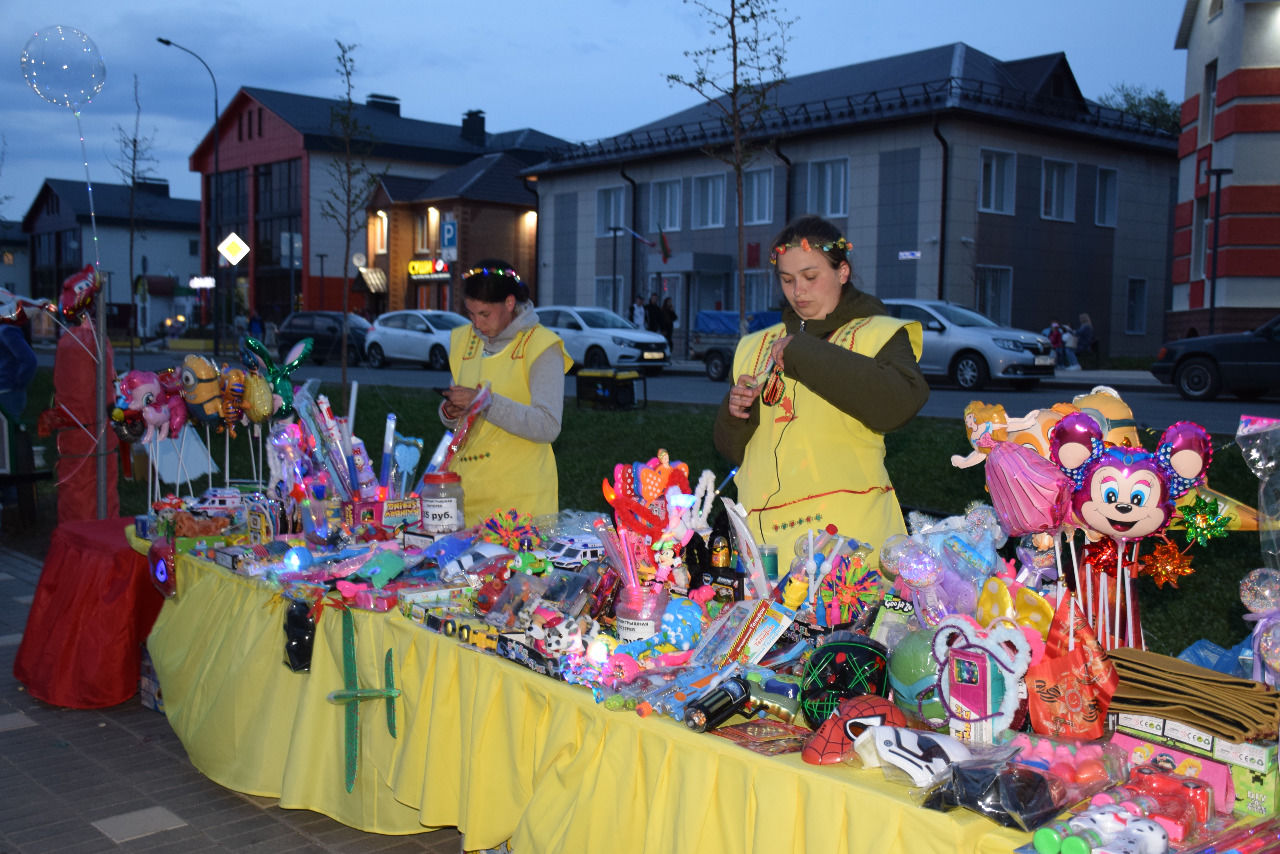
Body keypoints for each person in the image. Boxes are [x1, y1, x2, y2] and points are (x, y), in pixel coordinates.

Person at [713, 215, 929, 570]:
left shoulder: (878, 333)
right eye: (787, 279)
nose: (798, 291)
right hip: (766, 549)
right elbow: (731, 449)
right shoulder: (756, 345)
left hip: (849, 551)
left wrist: (803, 353)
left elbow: (898, 403)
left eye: (811, 277)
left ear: (842, 272)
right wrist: (734, 414)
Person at [440, 260, 572, 526]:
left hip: (520, 506)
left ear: (510, 303)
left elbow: (547, 425)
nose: (476, 323)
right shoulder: (464, 340)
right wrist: (450, 411)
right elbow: (456, 415)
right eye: (470, 313)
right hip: (466, 496)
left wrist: (485, 404)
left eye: (484, 314)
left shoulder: (541, 346)